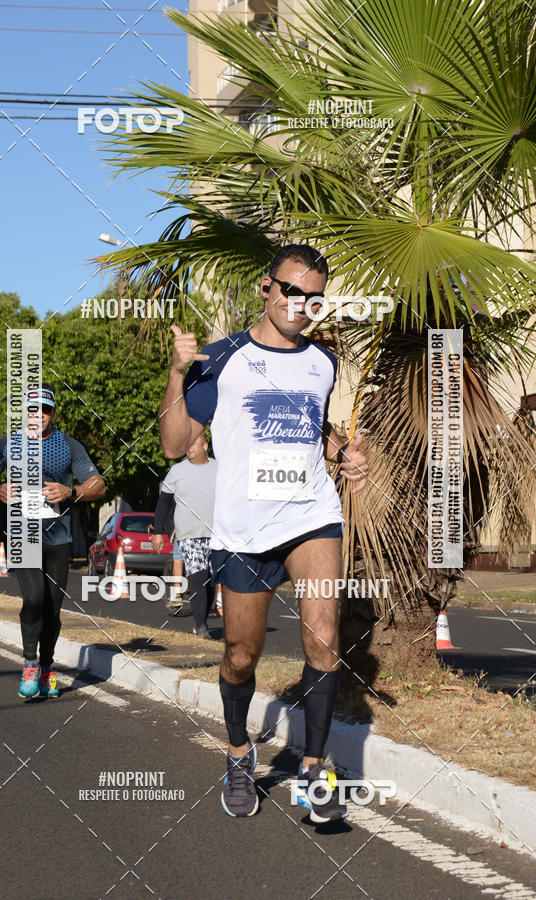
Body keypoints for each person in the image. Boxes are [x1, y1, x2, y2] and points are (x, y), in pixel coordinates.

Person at [159, 244, 368, 820]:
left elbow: (313, 425)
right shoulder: (220, 357)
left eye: (314, 297)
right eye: (291, 291)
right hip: (242, 530)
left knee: (324, 638)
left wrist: (342, 452)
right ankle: (237, 751)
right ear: (266, 287)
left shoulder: (322, 361)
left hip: (310, 516)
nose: (302, 305)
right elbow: (175, 444)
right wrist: (178, 373)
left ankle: (312, 769)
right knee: (241, 655)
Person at [0, 383, 105, 698]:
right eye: (34, 409)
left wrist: (71, 491)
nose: (40, 415)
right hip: (22, 533)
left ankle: (46, 668)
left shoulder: (68, 445)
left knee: (53, 608)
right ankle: (30, 663)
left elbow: (98, 485)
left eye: (45, 409)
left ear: (52, 412)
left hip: (58, 538)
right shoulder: (9, 444)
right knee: (33, 598)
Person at [150, 434, 217, 638]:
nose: (188, 448)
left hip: (216, 535)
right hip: (189, 534)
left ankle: (201, 621)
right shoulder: (177, 470)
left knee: (210, 579)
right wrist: (159, 532)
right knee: (197, 577)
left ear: (205, 446)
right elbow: (163, 503)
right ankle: (201, 625)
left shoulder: (220, 468)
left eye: (193, 444)